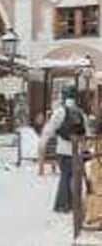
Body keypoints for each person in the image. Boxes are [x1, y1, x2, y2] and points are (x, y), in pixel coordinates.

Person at [38, 84, 87, 213]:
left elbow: (49, 129)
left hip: (62, 150)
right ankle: (73, 204)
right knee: (73, 177)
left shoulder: (60, 111)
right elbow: (86, 132)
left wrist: (42, 144)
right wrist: (84, 147)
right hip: (76, 151)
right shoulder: (81, 113)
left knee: (65, 176)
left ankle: (62, 205)